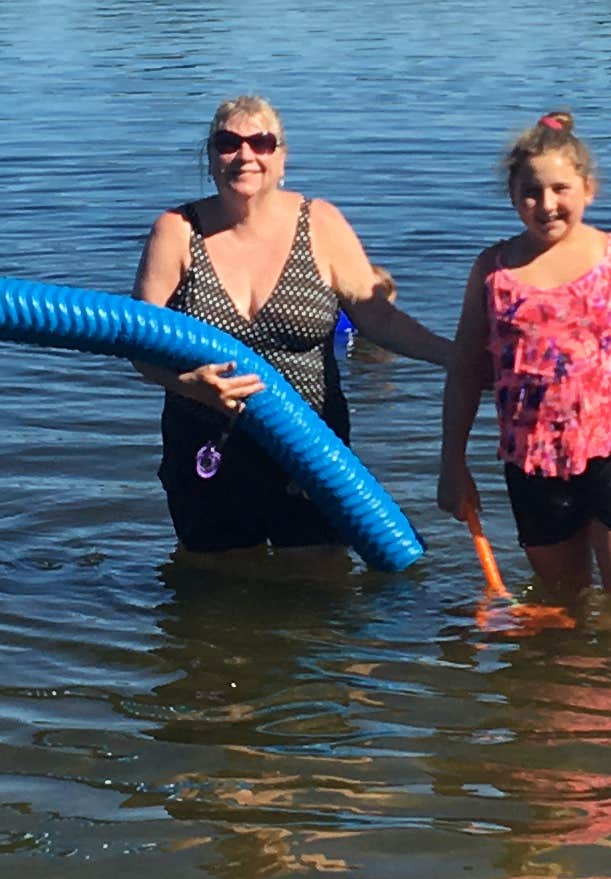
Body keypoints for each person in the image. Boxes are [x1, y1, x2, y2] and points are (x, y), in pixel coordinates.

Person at [133, 93, 453, 556]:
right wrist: (190, 384)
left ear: (282, 157)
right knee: (216, 592)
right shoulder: (177, 230)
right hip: (207, 442)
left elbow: (377, 316)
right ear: (210, 155)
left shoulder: (319, 223)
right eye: (228, 142)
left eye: (261, 142)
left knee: (321, 588)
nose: (245, 155)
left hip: (311, 446)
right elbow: (138, 342)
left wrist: (455, 356)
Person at [437, 110, 611, 599]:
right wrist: (452, 463)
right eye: (531, 192)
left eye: (561, 189)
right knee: (563, 603)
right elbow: (464, 372)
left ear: (588, 188)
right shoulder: (493, 271)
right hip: (531, 464)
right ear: (513, 196)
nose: (547, 205)